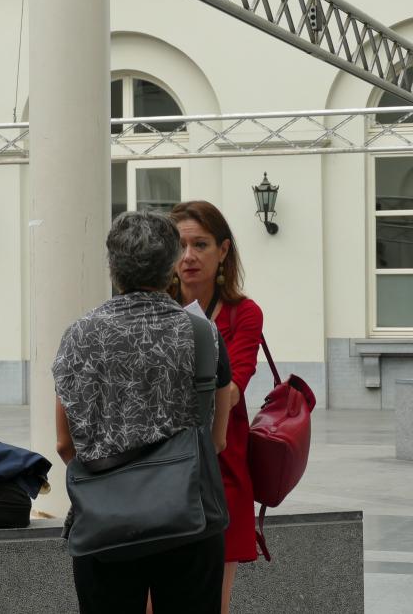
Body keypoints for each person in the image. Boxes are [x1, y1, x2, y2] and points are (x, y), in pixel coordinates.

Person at [53, 210, 232, 614]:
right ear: (172, 264)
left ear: (112, 265)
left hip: (104, 524)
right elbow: (216, 440)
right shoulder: (202, 332)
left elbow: (65, 443)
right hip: (190, 519)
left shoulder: (79, 335)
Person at [170, 199, 263, 614]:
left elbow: (235, 388)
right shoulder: (156, 308)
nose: (188, 256)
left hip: (221, 463)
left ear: (223, 250)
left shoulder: (244, 313)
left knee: (213, 602)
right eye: (180, 246)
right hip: (164, 466)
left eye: (201, 245)